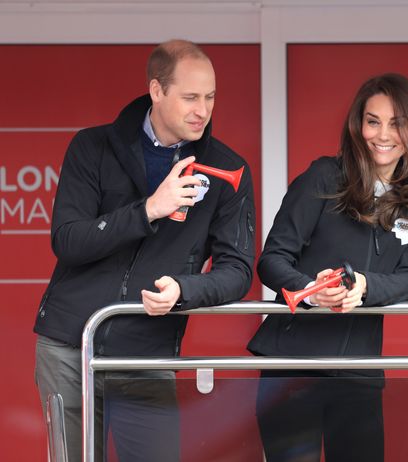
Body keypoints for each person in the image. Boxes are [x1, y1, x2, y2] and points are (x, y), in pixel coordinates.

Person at [33, 39, 255, 462]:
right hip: (68, 348)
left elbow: (238, 270)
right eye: (190, 97)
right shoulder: (91, 147)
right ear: (157, 90)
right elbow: (68, 240)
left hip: (147, 352)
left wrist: (184, 291)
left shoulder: (229, 170)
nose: (202, 110)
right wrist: (150, 208)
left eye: (210, 97)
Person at [247, 73, 408, 461]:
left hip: (359, 373)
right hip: (292, 369)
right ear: (358, 125)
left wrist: (366, 286)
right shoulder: (324, 176)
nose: (382, 134)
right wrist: (310, 291)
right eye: (373, 121)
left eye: (397, 123)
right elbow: (271, 260)